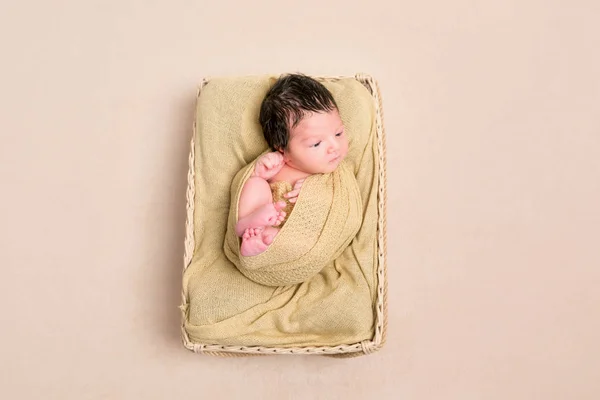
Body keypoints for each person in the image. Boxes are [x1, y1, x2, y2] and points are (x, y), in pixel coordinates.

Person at [235, 74, 349, 256]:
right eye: (316, 143)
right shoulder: (278, 164)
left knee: (295, 241)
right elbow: (243, 187)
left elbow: (343, 211)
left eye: (339, 133)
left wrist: (316, 189)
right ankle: (246, 225)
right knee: (254, 184)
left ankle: (269, 241)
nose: (334, 147)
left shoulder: (333, 172)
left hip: (300, 237)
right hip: (268, 216)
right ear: (283, 150)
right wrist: (260, 174)